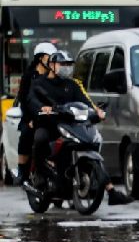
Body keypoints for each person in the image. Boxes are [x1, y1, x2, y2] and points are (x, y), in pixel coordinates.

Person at [29, 52, 133, 205]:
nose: (66, 68)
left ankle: (110, 190)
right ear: (51, 66)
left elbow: (86, 102)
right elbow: (31, 99)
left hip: (70, 125)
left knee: (90, 144)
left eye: (68, 65)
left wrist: (97, 112)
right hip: (48, 124)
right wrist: (42, 108)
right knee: (40, 138)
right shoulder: (39, 83)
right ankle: (39, 173)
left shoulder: (73, 84)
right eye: (62, 64)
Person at [14, 42, 57, 185]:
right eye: (49, 57)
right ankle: (23, 171)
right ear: (40, 58)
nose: (52, 61)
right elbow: (25, 99)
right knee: (26, 133)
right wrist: (32, 118)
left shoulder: (54, 76)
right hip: (32, 116)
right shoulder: (29, 76)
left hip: (52, 115)